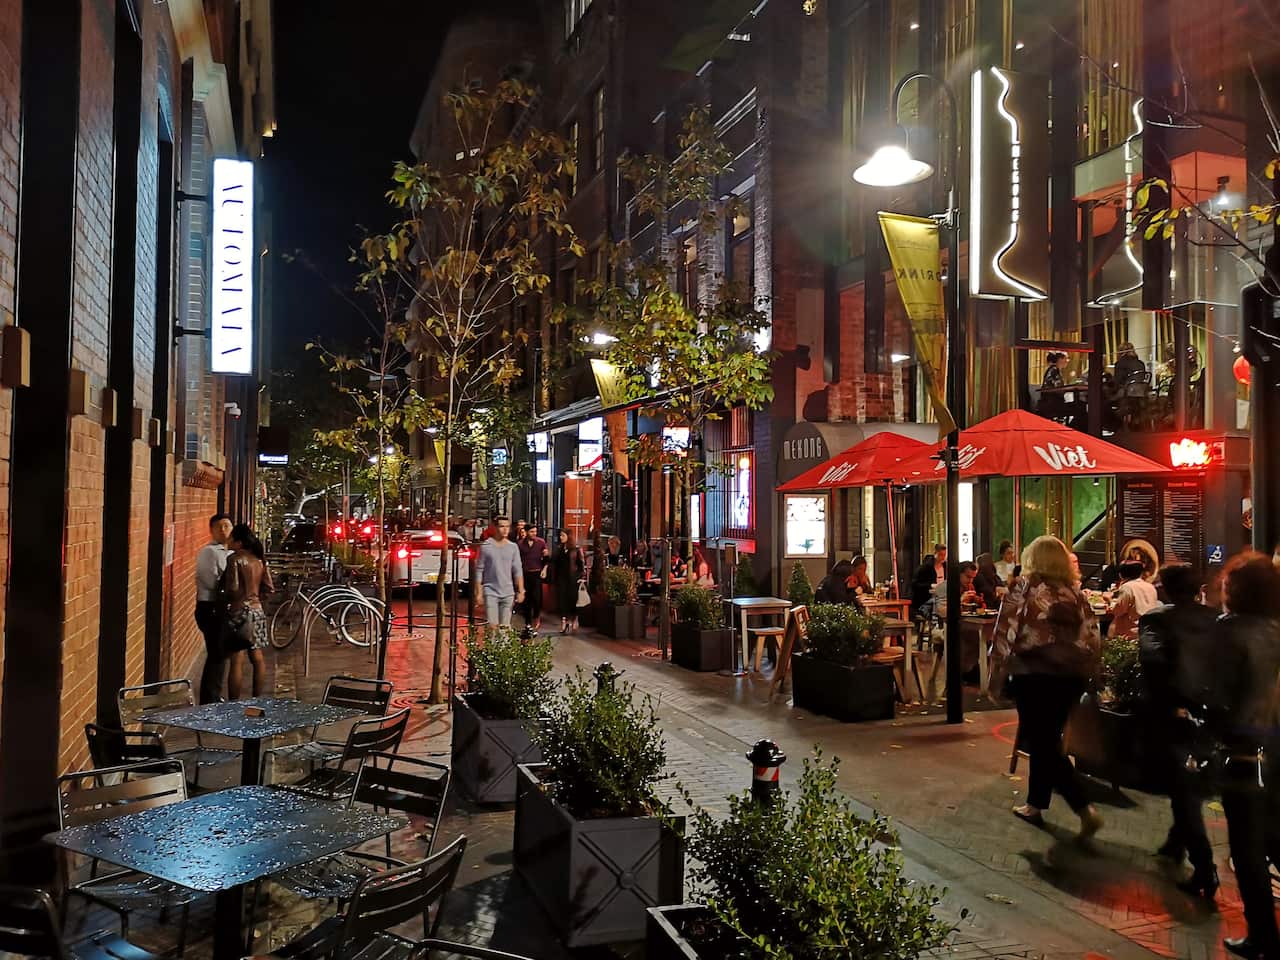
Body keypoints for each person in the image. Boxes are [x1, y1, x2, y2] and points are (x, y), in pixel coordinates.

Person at [989, 535, 1104, 838]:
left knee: (1042, 741)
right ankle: (1035, 805)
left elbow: (1005, 632)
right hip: (1069, 678)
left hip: (1034, 674)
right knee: (1047, 737)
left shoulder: (1023, 588)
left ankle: (1083, 807)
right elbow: (1092, 636)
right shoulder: (1076, 594)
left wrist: (997, 675)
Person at [1137, 563, 1221, 900]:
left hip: (1173, 712)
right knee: (1185, 783)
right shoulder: (1216, 619)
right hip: (1210, 712)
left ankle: (1203, 868)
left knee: (1183, 789)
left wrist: (1168, 700)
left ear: (1165, 588)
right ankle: (1175, 841)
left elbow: (1152, 660)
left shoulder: (1157, 619)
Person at [1212, 554, 1280, 959]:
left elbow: (1215, 692)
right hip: (1277, 745)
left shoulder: (1230, 630)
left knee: (1248, 848)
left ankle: (1263, 937)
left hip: (1243, 750)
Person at [223, 523, 273, 700]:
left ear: (238, 542)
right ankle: (256, 699)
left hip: (239, 613)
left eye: (231, 538)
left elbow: (233, 589)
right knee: (257, 658)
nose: (227, 541)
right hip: (257, 611)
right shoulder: (259, 560)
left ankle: (234, 704)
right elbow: (269, 588)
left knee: (236, 660)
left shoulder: (235, 559)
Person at [195, 513, 233, 704]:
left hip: (219, 608)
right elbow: (211, 582)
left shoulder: (228, 552)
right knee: (217, 653)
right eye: (219, 527)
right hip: (210, 607)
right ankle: (209, 698)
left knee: (220, 653)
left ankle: (213, 695)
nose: (224, 530)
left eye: (227, 526)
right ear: (211, 530)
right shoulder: (209, 552)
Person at [475, 516, 524, 629]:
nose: (505, 529)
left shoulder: (513, 547)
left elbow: (517, 569)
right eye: (502, 526)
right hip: (490, 590)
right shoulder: (486, 546)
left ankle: (503, 647)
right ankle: (492, 645)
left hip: (508, 591)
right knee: (492, 625)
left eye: (507, 527)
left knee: (505, 627)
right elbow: (479, 570)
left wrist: (521, 590)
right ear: (495, 528)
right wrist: (479, 592)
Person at [1108, 560, 1159, 639]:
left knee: (1111, 629)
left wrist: (1109, 601)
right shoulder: (1150, 586)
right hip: (1148, 630)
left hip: (1130, 632)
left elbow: (1118, 611)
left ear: (1121, 574)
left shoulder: (1127, 587)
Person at [550, 530, 585, 634]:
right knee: (562, 601)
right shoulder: (559, 549)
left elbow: (581, 565)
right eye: (560, 535)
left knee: (573, 600)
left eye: (562, 535)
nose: (561, 537)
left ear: (568, 536)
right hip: (561, 579)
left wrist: (580, 576)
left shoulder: (576, 549)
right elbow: (554, 563)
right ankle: (564, 622)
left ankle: (574, 619)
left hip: (573, 579)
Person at [517, 523, 548, 631]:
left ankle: (537, 617)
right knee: (527, 599)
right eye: (531, 532)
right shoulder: (520, 544)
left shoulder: (541, 542)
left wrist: (544, 569)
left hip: (537, 573)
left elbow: (546, 558)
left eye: (535, 531)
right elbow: (517, 561)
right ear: (526, 532)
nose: (534, 534)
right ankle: (528, 622)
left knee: (537, 598)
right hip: (525, 573)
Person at [911, 544, 948, 616]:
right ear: (935, 554)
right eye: (940, 555)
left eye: (944, 555)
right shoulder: (925, 568)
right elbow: (914, 584)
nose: (943, 557)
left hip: (942, 598)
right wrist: (930, 585)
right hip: (927, 598)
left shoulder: (946, 567)